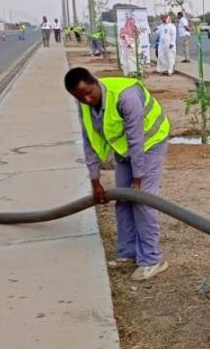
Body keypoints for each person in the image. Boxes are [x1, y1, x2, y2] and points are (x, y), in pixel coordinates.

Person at [63, 67, 171, 281]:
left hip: (150, 142)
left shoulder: (126, 96)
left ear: (94, 81)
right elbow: (89, 141)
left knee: (141, 201)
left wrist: (137, 179)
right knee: (122, 199)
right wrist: (95, 180)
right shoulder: (84, 104)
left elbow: (136, 139)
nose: (86, 99)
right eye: (80, 97)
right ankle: (128, 252)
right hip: (124, 150)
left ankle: (152, 258)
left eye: (89, 93)